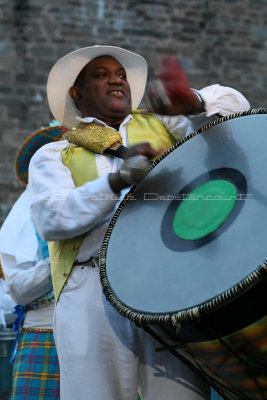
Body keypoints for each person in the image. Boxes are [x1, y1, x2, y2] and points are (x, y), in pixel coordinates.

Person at [28, 45, 250, 400]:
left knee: (180, 394)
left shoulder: (166, 123)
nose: (116, 80)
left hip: (169, 277)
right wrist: (116, 181)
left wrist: (191, 101)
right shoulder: (54, 154)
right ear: (76, 93)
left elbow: (239, 111)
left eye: (120, 75)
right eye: (101, 75)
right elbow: (52, 217)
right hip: (90, 290)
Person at [0, 125, 63, 400]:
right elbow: (19, 288)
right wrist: (65, 258)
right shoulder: (27, 210)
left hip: (111, 334)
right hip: (46, 334)